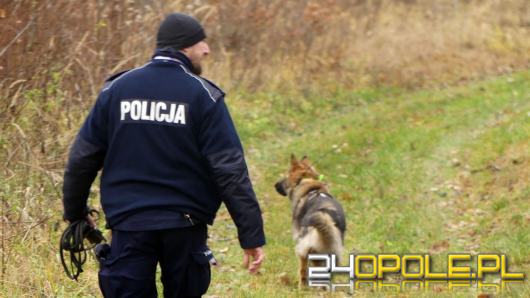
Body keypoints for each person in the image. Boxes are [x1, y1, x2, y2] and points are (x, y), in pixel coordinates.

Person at [62, 12, 266, 297]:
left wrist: (75, 213)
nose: (206, 50)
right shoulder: (203, 96)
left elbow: (82, 158)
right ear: (184, 46)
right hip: (185, 226)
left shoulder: (116, 90)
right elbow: (230, 170)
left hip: (129, 224)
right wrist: (251, 235)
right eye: (201, 43)